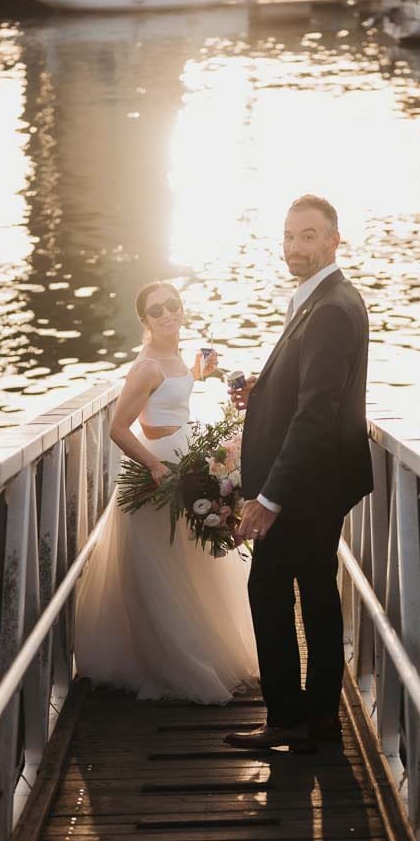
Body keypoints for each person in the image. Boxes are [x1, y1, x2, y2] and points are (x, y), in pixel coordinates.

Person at [224, 195, 373, 752]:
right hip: (319, 480)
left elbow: (317, 413)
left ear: (334, 240)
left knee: (270, 589)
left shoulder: (333, 308)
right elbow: (310, 392)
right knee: (315, 592)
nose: (295, 247)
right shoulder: (319, 300)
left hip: (306, 487)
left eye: (308, 236)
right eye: (289, 236)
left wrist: (270, 497)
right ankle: (320, 721)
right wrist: (262, 393)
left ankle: (289, 718)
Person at [74, 281, 259, 703]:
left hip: (187, 460)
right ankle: (179, 665)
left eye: (172, 306)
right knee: (164, 573)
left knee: (192, 568)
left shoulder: (174, 357)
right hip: (160, 473)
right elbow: (119, 427)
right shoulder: (145, 367)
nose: (166, 315)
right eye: (156, 311)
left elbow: (171, 397)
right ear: (145, 320)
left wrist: (197, 373)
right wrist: (155, 464)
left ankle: (206, 652)